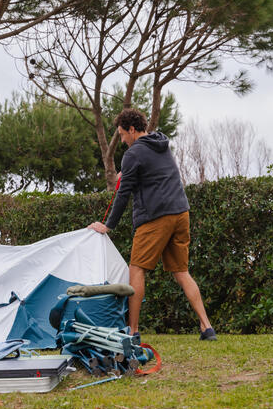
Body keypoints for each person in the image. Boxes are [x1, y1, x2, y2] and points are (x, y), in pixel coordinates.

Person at [87, 109, 217, 341]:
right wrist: (126, 174)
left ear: (132, 130)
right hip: (180, 213)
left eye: (123, 134)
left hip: (156, 217)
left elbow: (124, 193)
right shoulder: (161, 144)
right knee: (182, 271)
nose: (123, 140)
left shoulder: (133, 153)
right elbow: (151, 175)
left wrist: (108, 225)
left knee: (136, 269)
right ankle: (207, 327)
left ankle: (133, 332)